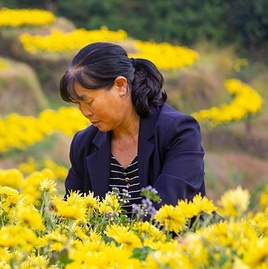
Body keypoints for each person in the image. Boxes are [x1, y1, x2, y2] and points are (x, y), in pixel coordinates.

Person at [60, 42, 205, 215]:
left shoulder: (178, 132)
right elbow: (73, 211)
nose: (84, 112)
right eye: (78, 104)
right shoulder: (84, 144)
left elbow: (167, 208)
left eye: (89, 102)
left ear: (120, 86)